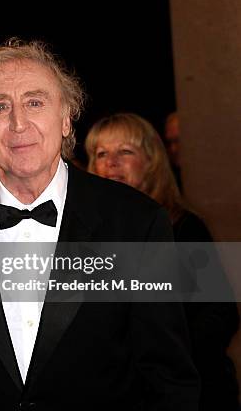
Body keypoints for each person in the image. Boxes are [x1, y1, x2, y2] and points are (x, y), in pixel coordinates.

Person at [0, 38, 199, 410]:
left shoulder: (135, 223)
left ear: (66, 119)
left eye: (35, 102)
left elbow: (168, 374)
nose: (18, 122)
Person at [85, 112, 240, 410]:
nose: (111, 162)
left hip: (192, 394)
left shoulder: (184, 227)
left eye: (125, 151)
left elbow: (221, 316)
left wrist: (163, 355)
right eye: (101, 153)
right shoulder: (88, 237)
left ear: (152, 161)